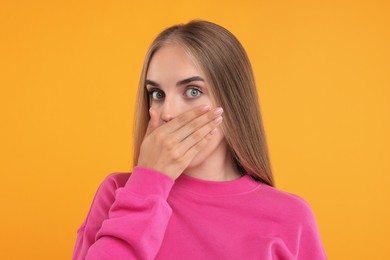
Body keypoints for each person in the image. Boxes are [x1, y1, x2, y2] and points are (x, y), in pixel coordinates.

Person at [72, 20, 327, 260]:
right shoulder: (119, 193)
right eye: (157, 94)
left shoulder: (291, 217)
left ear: (232, 102)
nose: (168, 113)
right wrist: (147, 184)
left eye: (193, 91)